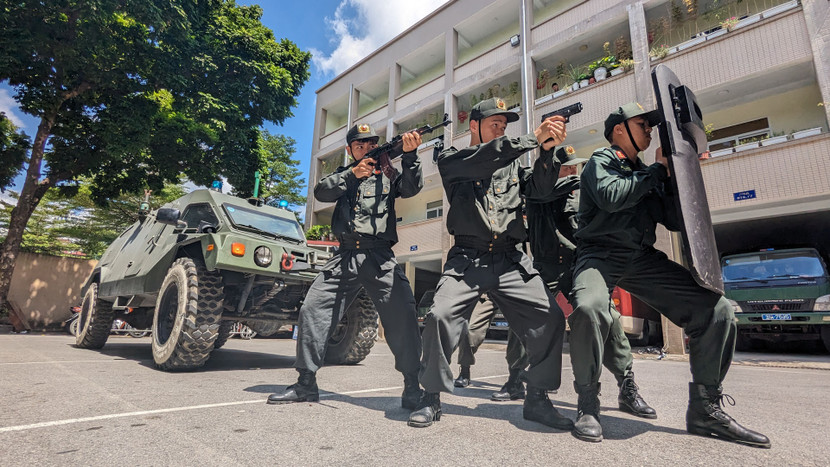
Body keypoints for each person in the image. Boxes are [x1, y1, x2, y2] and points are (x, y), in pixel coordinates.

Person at [567, 102, 770, 447]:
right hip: (600, 254)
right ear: (620, 130)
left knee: (716, 310)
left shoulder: (650, 174)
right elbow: (613, 197)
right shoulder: (602, 161)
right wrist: (658, 172)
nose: (649, 130)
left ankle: (705, 410)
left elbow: (675, 220)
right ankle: (588, 404)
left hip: (640, 257)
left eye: (650, 125)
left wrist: (681, 176)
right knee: (589, 308)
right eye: (642, 124)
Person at [408, 97, 572, 431]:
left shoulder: (514, 164)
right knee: (440, 316)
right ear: (473, 125)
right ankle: (431, 398)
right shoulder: (453, 159)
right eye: (493, 123)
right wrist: (531, 139)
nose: (500, 128)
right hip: (468, 258)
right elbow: (485, 159)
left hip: (510, 258)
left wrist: (547, 152)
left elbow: (540, 190)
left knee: (550, 317)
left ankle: (537, 399)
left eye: (504, 124)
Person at [454, 148, 657, 418]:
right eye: (567, 168)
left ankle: (626, 385)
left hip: (578, 264)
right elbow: (545, 191)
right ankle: (515, 379)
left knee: (606, 317)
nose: (573, 172)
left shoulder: (581, 193)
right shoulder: (539, 191)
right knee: (524, 321)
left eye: (575, 168)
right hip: (545, 266)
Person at [268, 123, 425, 410]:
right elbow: (321, 192)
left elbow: (411, 188)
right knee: (313, 309)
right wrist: (352, 175)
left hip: (379, 257)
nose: (366, 149)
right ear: (349, 149)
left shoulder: (388, 174)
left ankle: (413, 386)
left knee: (403, 315)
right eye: (359, 145)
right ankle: (306, 384)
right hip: (344, 256)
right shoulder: (344, 175)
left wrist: (412, 156)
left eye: (370, 144)